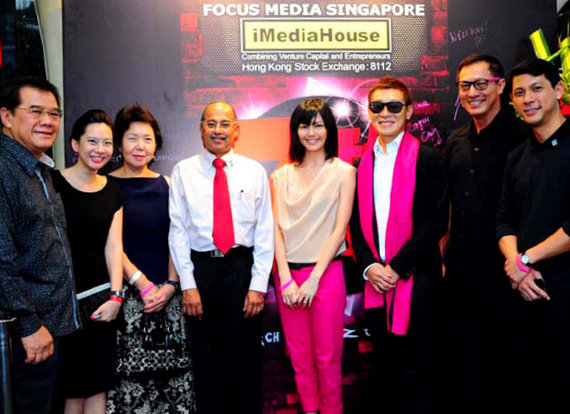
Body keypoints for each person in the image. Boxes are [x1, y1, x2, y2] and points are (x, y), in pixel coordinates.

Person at [349, 77, 448, 414]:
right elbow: (355, 225)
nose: (385, 113)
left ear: (408, 111)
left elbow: (434, 222)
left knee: (418, 371)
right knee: (386, 371)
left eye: (394, 106)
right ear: (369, 112)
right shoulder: (361, 164)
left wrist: (396, 268)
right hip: (376, 283)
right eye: (377, 106)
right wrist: (370, 267)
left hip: (418, 282)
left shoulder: (429, 159)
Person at [169, 101, 274, 414]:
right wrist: (188, 285)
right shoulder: (183, 171)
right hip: (201, 271)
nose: (218, 130)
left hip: (242, 270)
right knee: (207, 363)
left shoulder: (254, 171)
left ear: (236, 130)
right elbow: (178, 231)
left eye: (225, 124)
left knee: (245, 363)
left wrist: (258, 285)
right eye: (211, 123)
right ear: (201, 129)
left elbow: (265, 231)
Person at [442, 54, 525, 413]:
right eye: (465, 86)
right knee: (465, 367)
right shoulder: (455, 140)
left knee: (508, 368)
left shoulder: (523, 136)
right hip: (461, 274)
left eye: (480, 84)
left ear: (500, 86)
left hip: (508, 274)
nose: (472, 93)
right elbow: (448, 204)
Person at [106, 103, 195, 413]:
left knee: (173, 386)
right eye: (132, 138)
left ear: (156, 144)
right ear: (119, 144)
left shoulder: (167, 184)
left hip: (168, 297)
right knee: (129, 385)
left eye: (147, 139)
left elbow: (178, 238)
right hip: (126, 299)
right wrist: (141, 283)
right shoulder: (105, 186)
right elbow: (110, 244)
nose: (140, 146)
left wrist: (171, 284)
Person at [0, 77, 80, 414]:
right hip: (26, 336)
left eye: (54, 113)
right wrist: (28, 324)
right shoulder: (4, 170)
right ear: (6, 116)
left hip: (52, 326)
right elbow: (1, 258)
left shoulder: (38, 169)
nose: (47, 121)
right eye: (35, 112)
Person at [270, 98, 355, 414]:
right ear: (295, 131)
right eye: (304, 126)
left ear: (329, 129)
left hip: (327, 275)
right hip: (288, 279)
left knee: (328, 358)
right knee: (300, 358)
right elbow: (275, 231)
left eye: (318, 125)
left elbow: (340, 230)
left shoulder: (344, 172)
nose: (311, 132)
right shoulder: (280, 176)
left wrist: (315, 279)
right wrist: (286, 279)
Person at [497, 58, 570, 414]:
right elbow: (504, 220)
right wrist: (516, 264)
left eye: (537, 88)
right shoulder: (517, 156)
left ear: (559, 90)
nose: (528, 99)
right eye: (519, 93)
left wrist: (525, 259)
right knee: (529, 390)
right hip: (525, 292)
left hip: (565, 293)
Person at [51, 109, 123, 414]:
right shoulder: (51, 183)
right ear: (75, 144)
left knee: (97, 384)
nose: (100, 149)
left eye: (106, 143)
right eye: (92, 141)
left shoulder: (112, 190)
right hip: (62, 303)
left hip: (100, 302)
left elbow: (114, 247)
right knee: (69, 388)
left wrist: (116, 297)